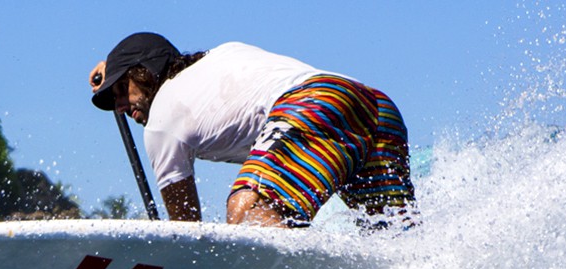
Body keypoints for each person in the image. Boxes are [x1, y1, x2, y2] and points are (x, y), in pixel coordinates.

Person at [89, 32, 413, 229]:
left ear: (144, 73)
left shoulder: (161, 121)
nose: (119, 106)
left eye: (121, 91)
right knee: (392, 238)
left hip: (314, 103)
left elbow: (187, 232)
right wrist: (116, 65)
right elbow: (154, 54)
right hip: (374, 105)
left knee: (248, 209)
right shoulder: (221, 55)